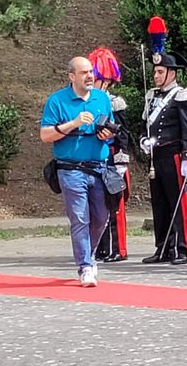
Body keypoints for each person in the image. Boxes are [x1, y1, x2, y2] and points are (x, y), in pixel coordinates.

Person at [40, 56, 118, 286]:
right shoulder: (57, 101)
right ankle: (85, 266)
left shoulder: (102, 98)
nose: (90, 76)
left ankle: (89, 255)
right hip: (70, 169)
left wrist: (108, 134)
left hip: (99, 167)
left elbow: (111, 129)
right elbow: (45, 135)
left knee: (101, 217)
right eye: (84, 72)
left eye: (91, 71)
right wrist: (72, 123)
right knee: (80, 217)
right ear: (71, 76)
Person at [140, 17, 187, 264]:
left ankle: (185, 249)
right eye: (154, 71)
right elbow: (148, 125)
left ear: (172, 73)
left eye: (160, 71)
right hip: (157, 157)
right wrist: (144, 140)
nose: (156, 75)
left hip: (174, 155)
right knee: (160, 203)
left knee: (179, 203)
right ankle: (163, 247)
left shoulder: (182, 95)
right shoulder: (152, 96)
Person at [89, 47, 131, 263]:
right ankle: (101, 247)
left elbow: (123, 134)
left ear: (105, 81)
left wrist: (121, 159)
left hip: (113, 156)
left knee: (115, 205)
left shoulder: (115, 102)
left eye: (96, 78)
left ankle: (119, 248)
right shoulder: (88, 101)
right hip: (95, 156)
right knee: (97, 204)